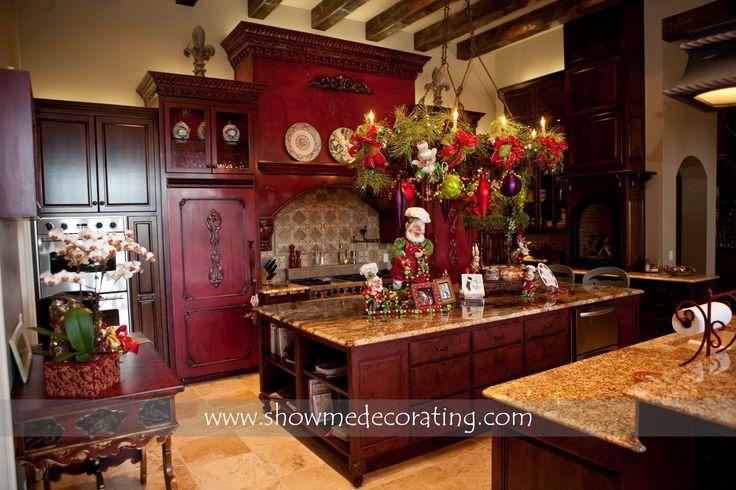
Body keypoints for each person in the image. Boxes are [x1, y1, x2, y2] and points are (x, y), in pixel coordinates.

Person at [390, 207, 433, 288]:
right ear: (407, 226)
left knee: (418, 290)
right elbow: (395, 252)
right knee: (399, 289)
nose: (418, 231)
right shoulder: (401, 241)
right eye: (416, 227)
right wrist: (403, 260)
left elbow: (429, 250)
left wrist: (423, 253)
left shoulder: (425, 242)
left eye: (421, 228)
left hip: (419, 272)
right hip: (403, 273)